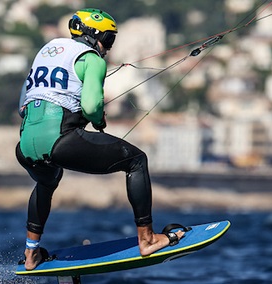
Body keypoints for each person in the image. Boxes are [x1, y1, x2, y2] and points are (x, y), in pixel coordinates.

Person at [15, 8, 185, 270]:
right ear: (94, 35)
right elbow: (92, 104)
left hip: (25, 143)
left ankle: (31, 254)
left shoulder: (47, 51)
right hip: (59, 139)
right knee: (137, 161)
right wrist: (97, 120)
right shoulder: (92, 59)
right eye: (108, 38)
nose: (108, 46)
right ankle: (148, 239)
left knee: (48, 181)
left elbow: (22, 103)